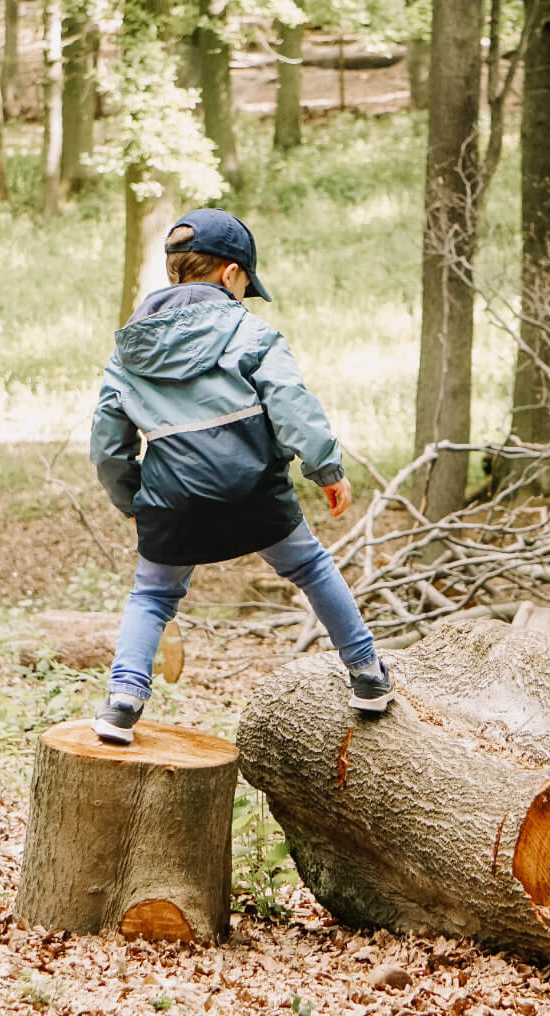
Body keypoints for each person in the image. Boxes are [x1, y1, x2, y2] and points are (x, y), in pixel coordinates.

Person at [89, 207, 394, 744]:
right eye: (247, 282)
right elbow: (292, 405)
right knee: (312, 568)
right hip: (254, 492)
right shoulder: (252, 332)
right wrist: (326, 468)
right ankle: (368, 675)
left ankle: (121, 703)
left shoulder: (129, 351)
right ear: (232, 274)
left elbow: (108, 444)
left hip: (171, 498)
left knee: (154, 597)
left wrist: (131, 500)